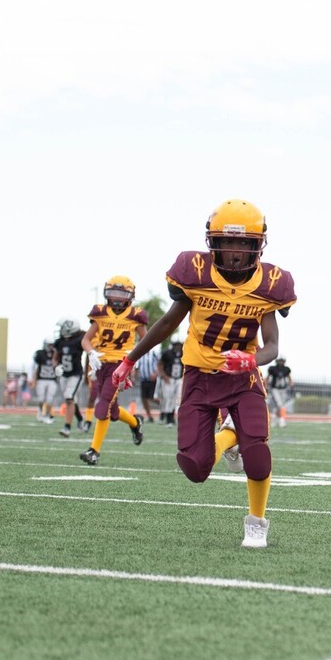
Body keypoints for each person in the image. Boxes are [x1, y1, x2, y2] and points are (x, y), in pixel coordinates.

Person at [109, 199, 297, 549]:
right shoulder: (193, 271)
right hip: (199, 375)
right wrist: (128, 360)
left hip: (243, 379)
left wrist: (252, 361)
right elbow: (167, 323)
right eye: (228, 242)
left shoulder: (270, 283)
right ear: (212, 241)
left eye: (243, 243)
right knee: (195, 467)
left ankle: (256, 522)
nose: (235, 251)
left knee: (257, 452)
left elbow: (271, 345)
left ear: (257, 244)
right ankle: (229, 435)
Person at [79, 276, 148, 465]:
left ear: (130, 295)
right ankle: (135, 423)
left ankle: (94, 451)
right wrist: (91, 353)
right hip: (102, 364)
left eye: (121, 293)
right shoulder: (100, 313)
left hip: (121, 365)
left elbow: (148, 340)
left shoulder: (136, 316)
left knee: (104, 405)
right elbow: (85, 340)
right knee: (113, 411)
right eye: (114, 293)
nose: (117, 298)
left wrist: (135, 356)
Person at [54, 318, 86, 438]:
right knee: (71, 400)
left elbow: (89, 348)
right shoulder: (60, 342)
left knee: (69, 398)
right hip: (64, 374)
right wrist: (56, 366)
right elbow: (55, 357)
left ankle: (67, 427)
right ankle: (80, 419)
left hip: (76, 374)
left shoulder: (79, 340)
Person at [29, 339, 59, 423]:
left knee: (49, 399)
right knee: (41, 399)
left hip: (52, 380)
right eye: (49, 345)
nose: (51, 347)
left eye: (52, 345)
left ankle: (47, 415)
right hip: (41, 379)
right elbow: (35, 367)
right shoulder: (40, 354)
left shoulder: (56, 353)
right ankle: (40, 412)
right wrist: (33, 380)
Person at [157, 340, 184, 426]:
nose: (178, 347)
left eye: (179, 345)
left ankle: (171, 417)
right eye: (176, 345)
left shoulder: (184, 353)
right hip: (169, 378)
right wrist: (164, 375)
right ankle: (167, 417)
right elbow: (159, 364)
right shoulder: (167, 353)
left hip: (179, 379)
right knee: (167, 398)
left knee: (176, 399)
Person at [266, 356, 293, 428]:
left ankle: (274, 419)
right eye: (279, 361)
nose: (281, 362)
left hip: (283, 389)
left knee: (278, 406)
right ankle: (282, 421)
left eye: (282, 361)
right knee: (280, 404)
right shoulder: (272, 369)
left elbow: (289, 377)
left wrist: (291, 383)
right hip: (275, 389)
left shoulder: (286, 369)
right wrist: (265, 384)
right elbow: (268, 377)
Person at [136, 347, 161, 423]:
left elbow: (160, 364)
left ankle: (166, 408)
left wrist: (155, 374)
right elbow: (137, 366)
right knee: (144, 398)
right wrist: (134, 377)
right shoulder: (140, 354)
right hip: (143, 379)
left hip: (152, 379)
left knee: (152, 397)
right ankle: (149, 416)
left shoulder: (153, 353)